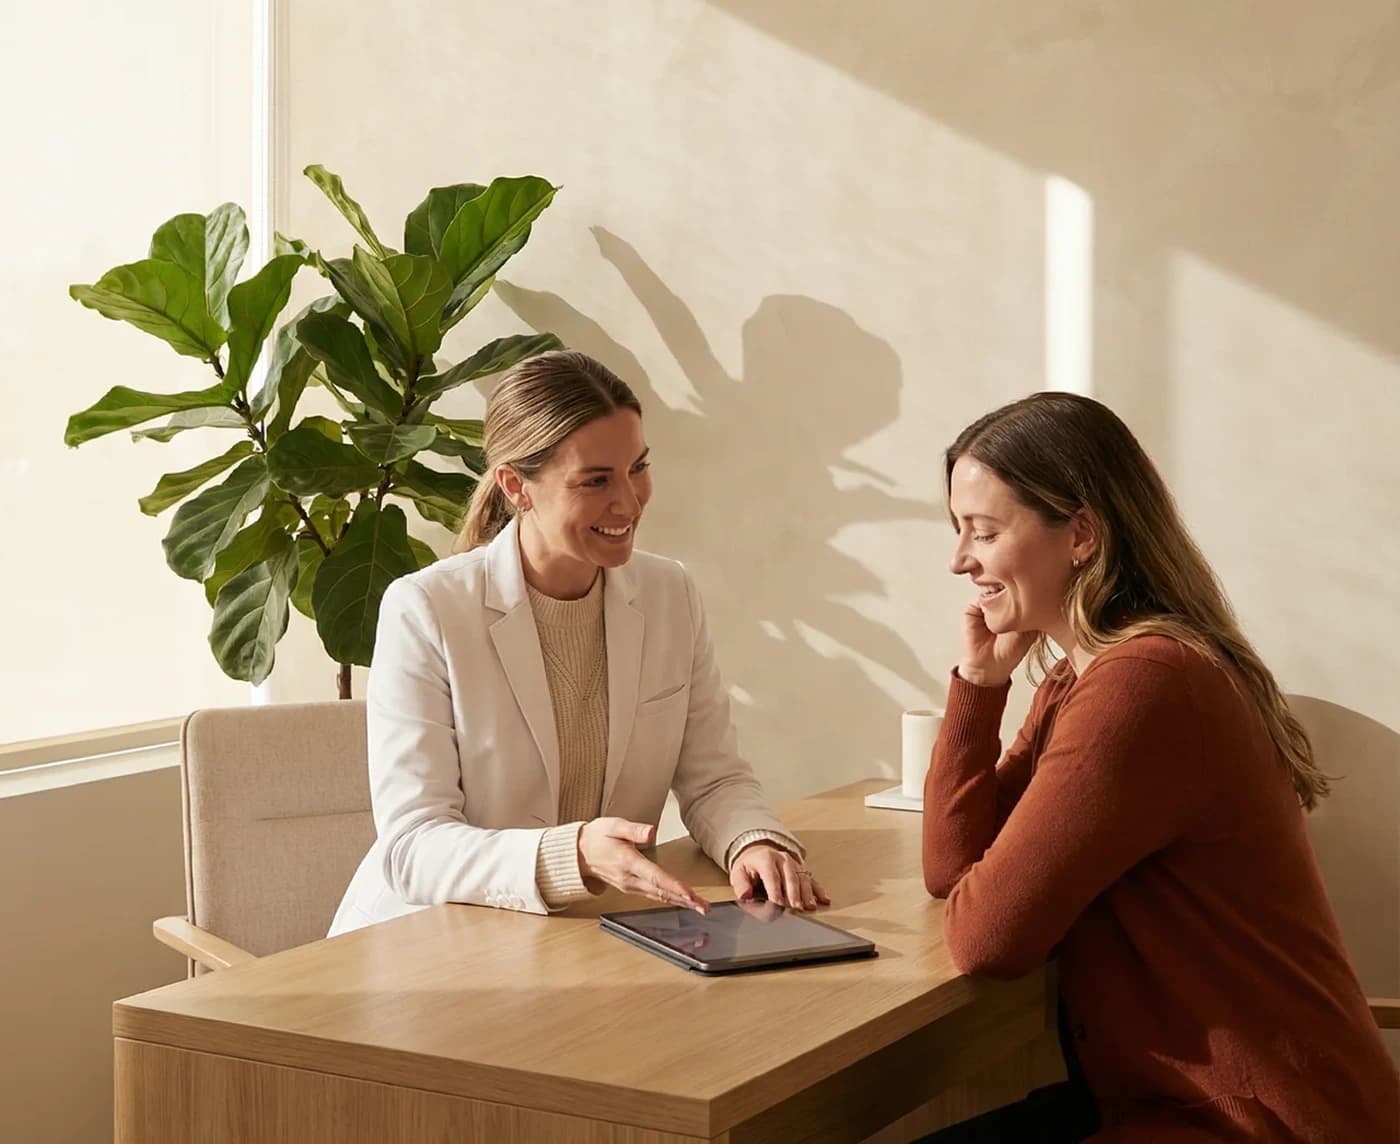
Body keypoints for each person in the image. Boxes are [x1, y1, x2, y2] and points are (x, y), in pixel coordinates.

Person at [919, 392, 1396, 1143]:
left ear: (1081, 534)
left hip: (1261, 1124)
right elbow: (952, 869)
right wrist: (980, 685)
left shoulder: (1143, 685)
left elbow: (988, 939)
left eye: (984, 531)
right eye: (958, 530)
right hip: (1170, 1107)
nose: (959, 559)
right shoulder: (1081, 679)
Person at [330, 350, 826, 935]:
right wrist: (574, 854)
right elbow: (413, 847)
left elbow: (714, 777)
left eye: (638, 468)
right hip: (430, 941)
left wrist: (751, 840)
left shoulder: (669, 593)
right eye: (596, 480)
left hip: (588, 934)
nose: (629, 502)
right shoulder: (426, 610)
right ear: (516, 486)